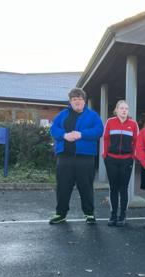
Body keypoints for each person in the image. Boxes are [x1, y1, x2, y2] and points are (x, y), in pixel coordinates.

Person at [49, 88, 104, 225]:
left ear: (84, 101)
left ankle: (89, 213)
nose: (77, 101)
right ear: (70, 102)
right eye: (74, 99)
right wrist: (64, 135)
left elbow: (99, 130)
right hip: (65, 158)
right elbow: (53, 129)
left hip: (85, 158)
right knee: (63, 186)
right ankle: (60, 214)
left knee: (86, 187)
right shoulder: (62, 114)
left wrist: (81, 134)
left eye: (79, 99)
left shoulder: (92, 116)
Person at [103, 100, 139, 227]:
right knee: (113, 188)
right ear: (116, 110)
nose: (124, 110)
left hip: (126, 160)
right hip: (111, 159)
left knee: (124, 188)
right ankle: (113, 215)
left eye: (126, 108)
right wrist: (105, 155)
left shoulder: (133, 124)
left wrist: (133, 156)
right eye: (122, 108)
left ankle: (122, 215)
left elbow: (136, 142)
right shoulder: (110, 122)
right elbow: (106, 139)